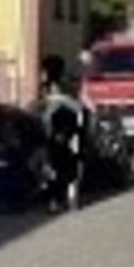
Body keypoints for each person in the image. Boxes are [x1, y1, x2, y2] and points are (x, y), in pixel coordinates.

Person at [39, 54, 87, 211]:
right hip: (63, 131)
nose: (41, 74)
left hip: (64, 130)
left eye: (43, 70)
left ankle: (61, 199)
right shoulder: (54, 88)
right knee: (64, 165)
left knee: (60, 165)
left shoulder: (57, 89)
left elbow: (65, 107)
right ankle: (65, 199)